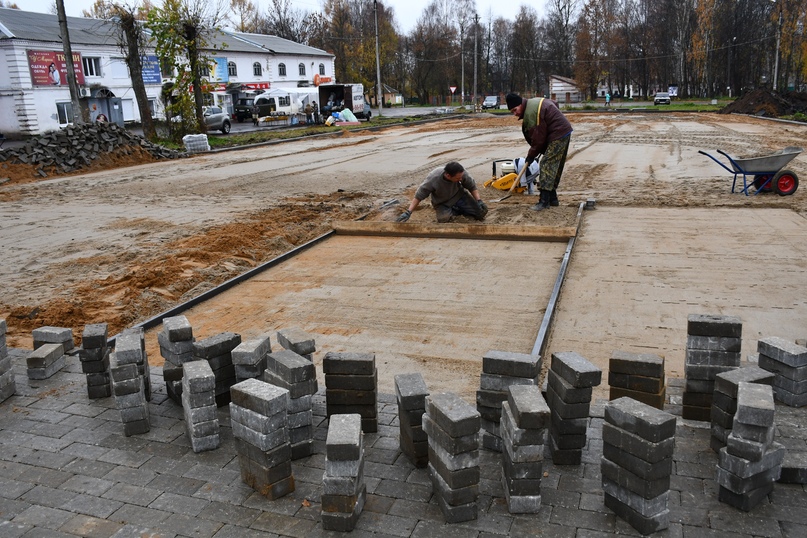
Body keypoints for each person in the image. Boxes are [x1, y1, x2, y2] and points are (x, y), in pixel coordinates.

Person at [505, 93, 573, 211]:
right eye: (512, 112)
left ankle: (544, 201)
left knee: (546, 165)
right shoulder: (533, 103)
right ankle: (553, 199)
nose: (515, 114)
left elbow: (538, 139)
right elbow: (553, 103)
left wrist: (531, 156)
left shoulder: (531, 113)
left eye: (515, 110)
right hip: (564, 131)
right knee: (554, 166)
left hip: (557, 133)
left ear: (520, 104)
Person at [396, 161, 488, 223]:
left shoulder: (461, 173)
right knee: (443, 219)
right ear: (448, 175)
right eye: (457, 178)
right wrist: (408, 212)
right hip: (442, 202)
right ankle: (455, 210)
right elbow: (419, 196)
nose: (461, 179)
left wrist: (479, 201)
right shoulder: (433, 178)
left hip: (459, 196)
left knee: (481, 213)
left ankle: (459, 209)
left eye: (461, 177)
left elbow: (472, 186)